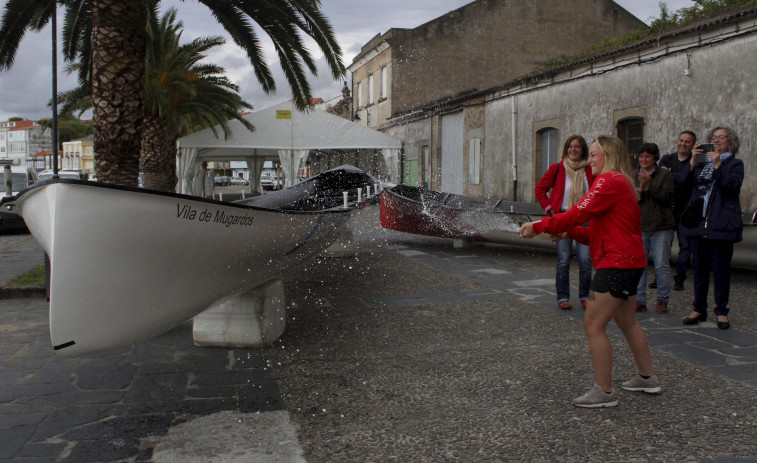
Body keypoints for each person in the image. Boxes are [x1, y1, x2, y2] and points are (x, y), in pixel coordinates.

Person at [520, 135, 660, 408]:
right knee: (627, 322)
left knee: (593, 324)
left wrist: (540, 225)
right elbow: (596, 231)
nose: (589, 159)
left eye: (594, 154)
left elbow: (576, 212)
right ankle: (647, 378)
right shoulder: (621, 183)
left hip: (615, 265)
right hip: (630, 262)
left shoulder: (608, 181)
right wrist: (567, 232)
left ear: (608, 155)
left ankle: (603, 392)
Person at [679, 126, 744, 330]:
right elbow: (683, 186)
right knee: (699, 269)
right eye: (713, 138)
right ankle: (699, 308)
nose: (715, 141)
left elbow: (730, 185)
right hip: (699, 223)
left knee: (721, 270)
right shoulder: (700, 164)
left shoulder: (735, 164)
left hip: (721, 224)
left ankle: (721, 311)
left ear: (730, 142)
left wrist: (717, 164)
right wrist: (691, 163)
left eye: (720, 138)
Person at [534, 135, 594, 310]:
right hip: (562, 217)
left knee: (585, 259)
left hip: (584, 219)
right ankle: (563, 297)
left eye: (577, 146)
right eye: (570, 146)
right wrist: (548, 207)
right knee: (563, 259)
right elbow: (540, 189)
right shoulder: (558, 168)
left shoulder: (589, 170)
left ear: (583, 149)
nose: (573, 150)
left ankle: (584, 296)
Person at [635, 143, 675, 314]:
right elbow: (632, 199)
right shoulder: (634, 174)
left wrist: (650, 185)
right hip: (641, 225)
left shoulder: (665, 174)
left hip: (661, 225)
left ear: (655, 158)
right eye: (641, 156)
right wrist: (641, 188)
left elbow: (667, 197)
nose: (644, 160)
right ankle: (639, 299)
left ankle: (662, 299)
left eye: (648, 157)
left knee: (661, 265)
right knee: (639, 264)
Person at [659, 131, 697, 290]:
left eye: (687, 142)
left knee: (685, 247)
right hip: (667, 209)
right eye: (681, 140)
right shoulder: (667, 158)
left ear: (693, 145)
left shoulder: (696, 161)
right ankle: (661, 279)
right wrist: (685, 172)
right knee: (663, 246)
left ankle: (679, 279)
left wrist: (671, 175)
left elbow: (685, 181)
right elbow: (660, 178)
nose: (683, 143)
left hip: (686, 210)